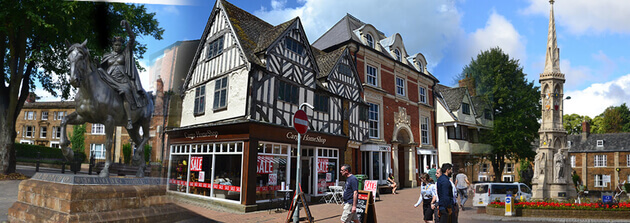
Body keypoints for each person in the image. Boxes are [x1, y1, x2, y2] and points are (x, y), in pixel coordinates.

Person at [99, 20, 147, 129]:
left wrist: (127, 27)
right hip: (108, 79)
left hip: (123, 81)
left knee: (125, 92)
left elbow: (132, 38)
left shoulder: (125, 52)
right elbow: (101, 68)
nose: (117, 47)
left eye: (119, 45)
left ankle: (129, 120)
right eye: (115, 45)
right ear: (112, 46)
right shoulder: (107, 56)